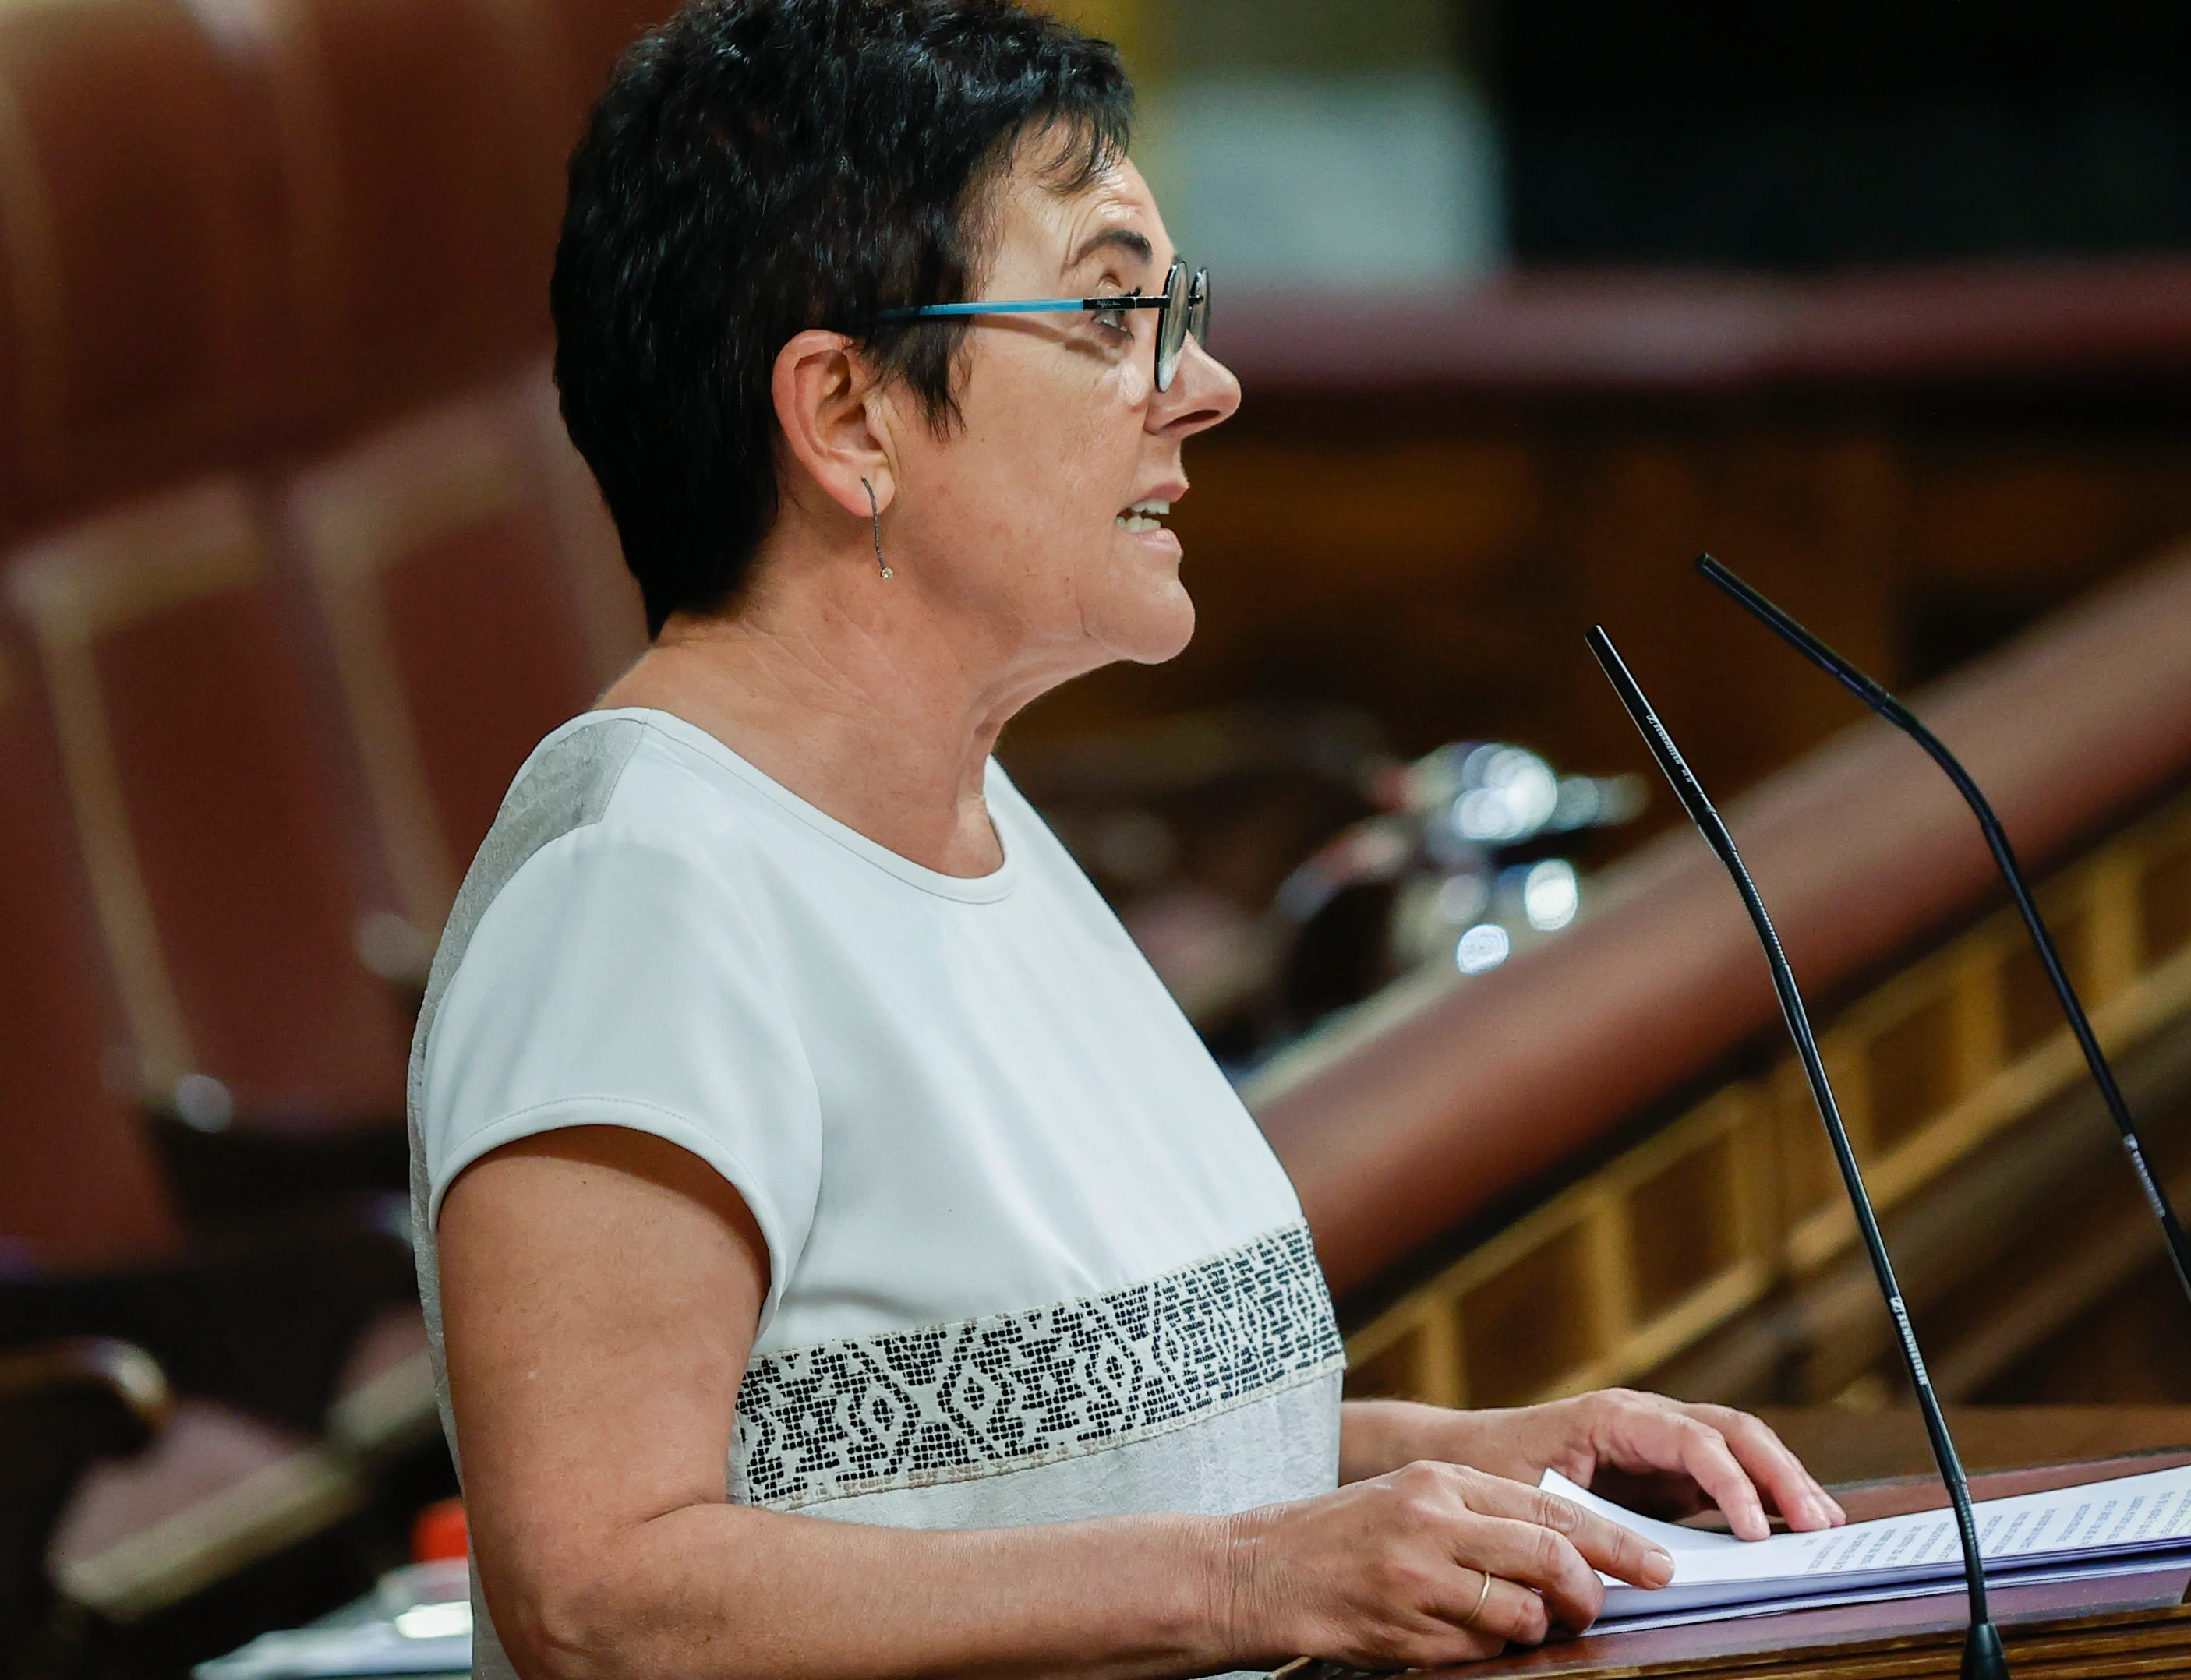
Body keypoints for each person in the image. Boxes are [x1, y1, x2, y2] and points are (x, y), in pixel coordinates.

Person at [416, 2, 1847, 1677]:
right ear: (848, 415)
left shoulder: (977, 812)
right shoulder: (636, 886)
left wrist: (1456, 1466)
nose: (1203, 388)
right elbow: (601, 1598)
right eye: (1110, 313)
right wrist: (1248, 1582)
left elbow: (1029, 1481)